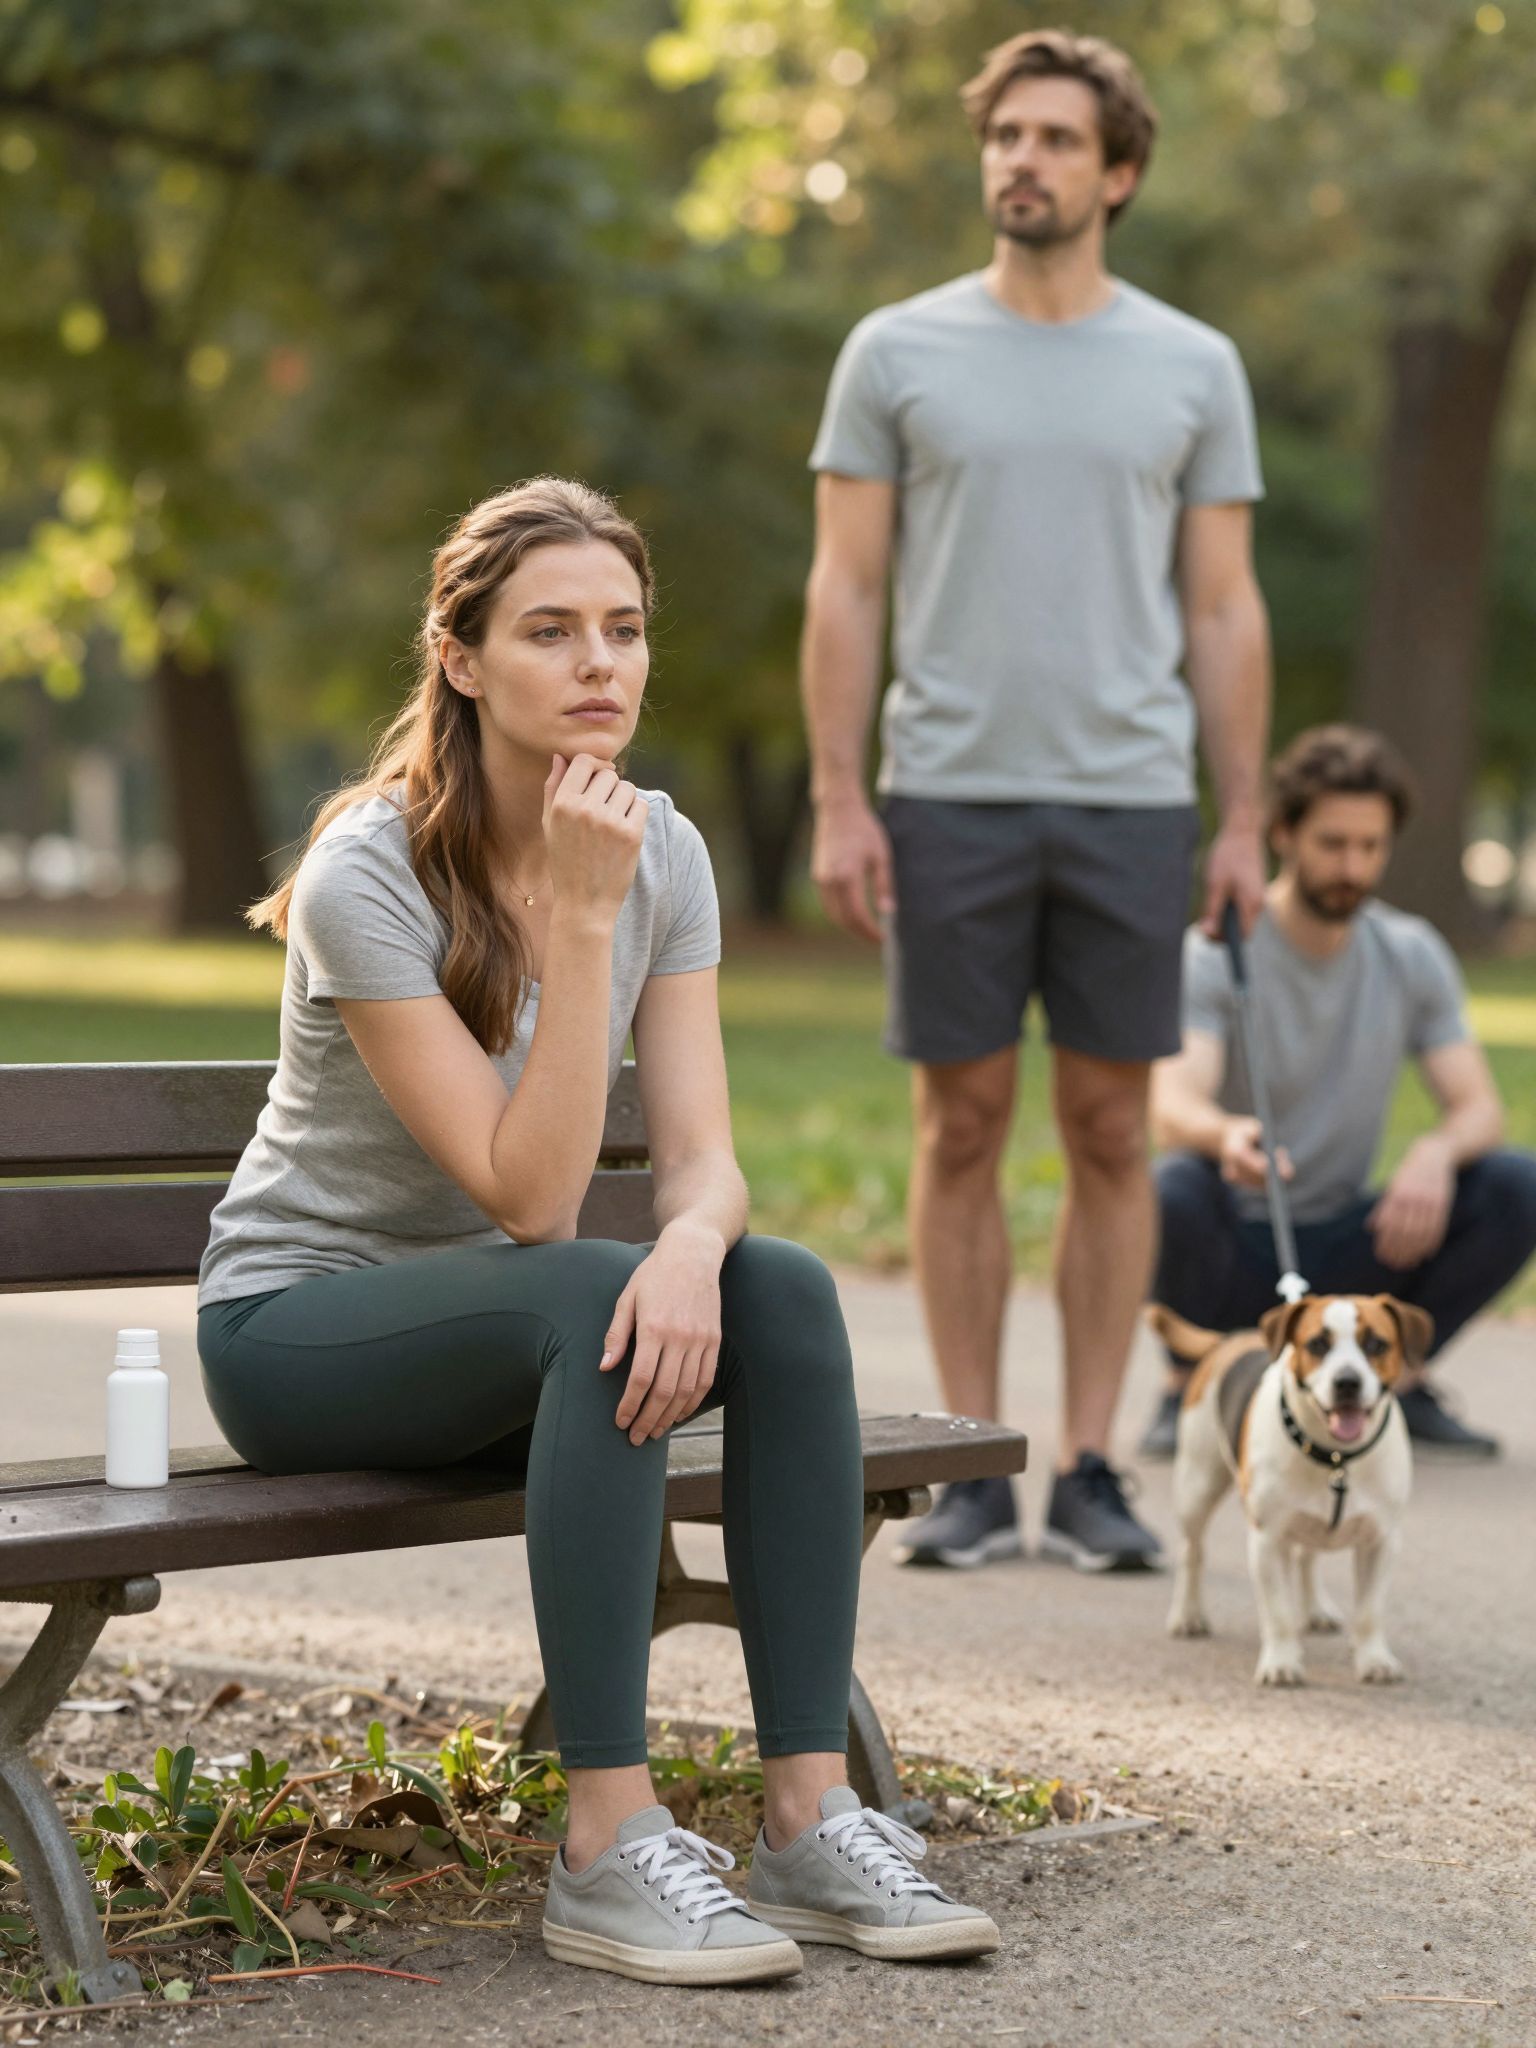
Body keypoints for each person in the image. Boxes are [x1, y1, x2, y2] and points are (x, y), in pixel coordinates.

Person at [196, 479, 998, 1985]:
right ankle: (606, 1844)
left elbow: (702, 1159)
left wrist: (694, 1248)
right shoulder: (370, 872)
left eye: (623, 631)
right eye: (550, 631)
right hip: (303, 1334)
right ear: (460, 656)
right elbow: (533, 1202)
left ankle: (808, 1814)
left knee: (779, 1292)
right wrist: (573, 921)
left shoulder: (663, 850)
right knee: (585, 1291)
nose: (600, 667)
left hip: (512, 1322)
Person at [801, 30, 1270, 1572]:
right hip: (946, 794)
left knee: (1114, 1129)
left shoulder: (1193, 366)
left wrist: (1247, 814)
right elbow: (847, 586)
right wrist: (839, 795)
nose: (1027, 160)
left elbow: (1222, 610)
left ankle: (1082, 1465)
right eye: (1007, 135)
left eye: (1060, 139)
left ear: (1117, 172)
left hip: (1132, 799)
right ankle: (966, 1469)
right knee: (959, 1129)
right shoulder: (895, 351)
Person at [1145, 724, 1536, 1461]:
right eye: (1333, 844)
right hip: (1243, 1239)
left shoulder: (1410, 952)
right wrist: (1223, 1135)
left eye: (1371, 846)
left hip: (1352, 1259)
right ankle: (1189, 1386)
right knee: (1175, 1186)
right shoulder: (1215, 951)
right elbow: (1172, 1105)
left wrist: (1437, 1150)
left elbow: (1480, 1107)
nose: (1352, 866)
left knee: (1515, 1183)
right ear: (1284, 834)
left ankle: (1393, 1382)